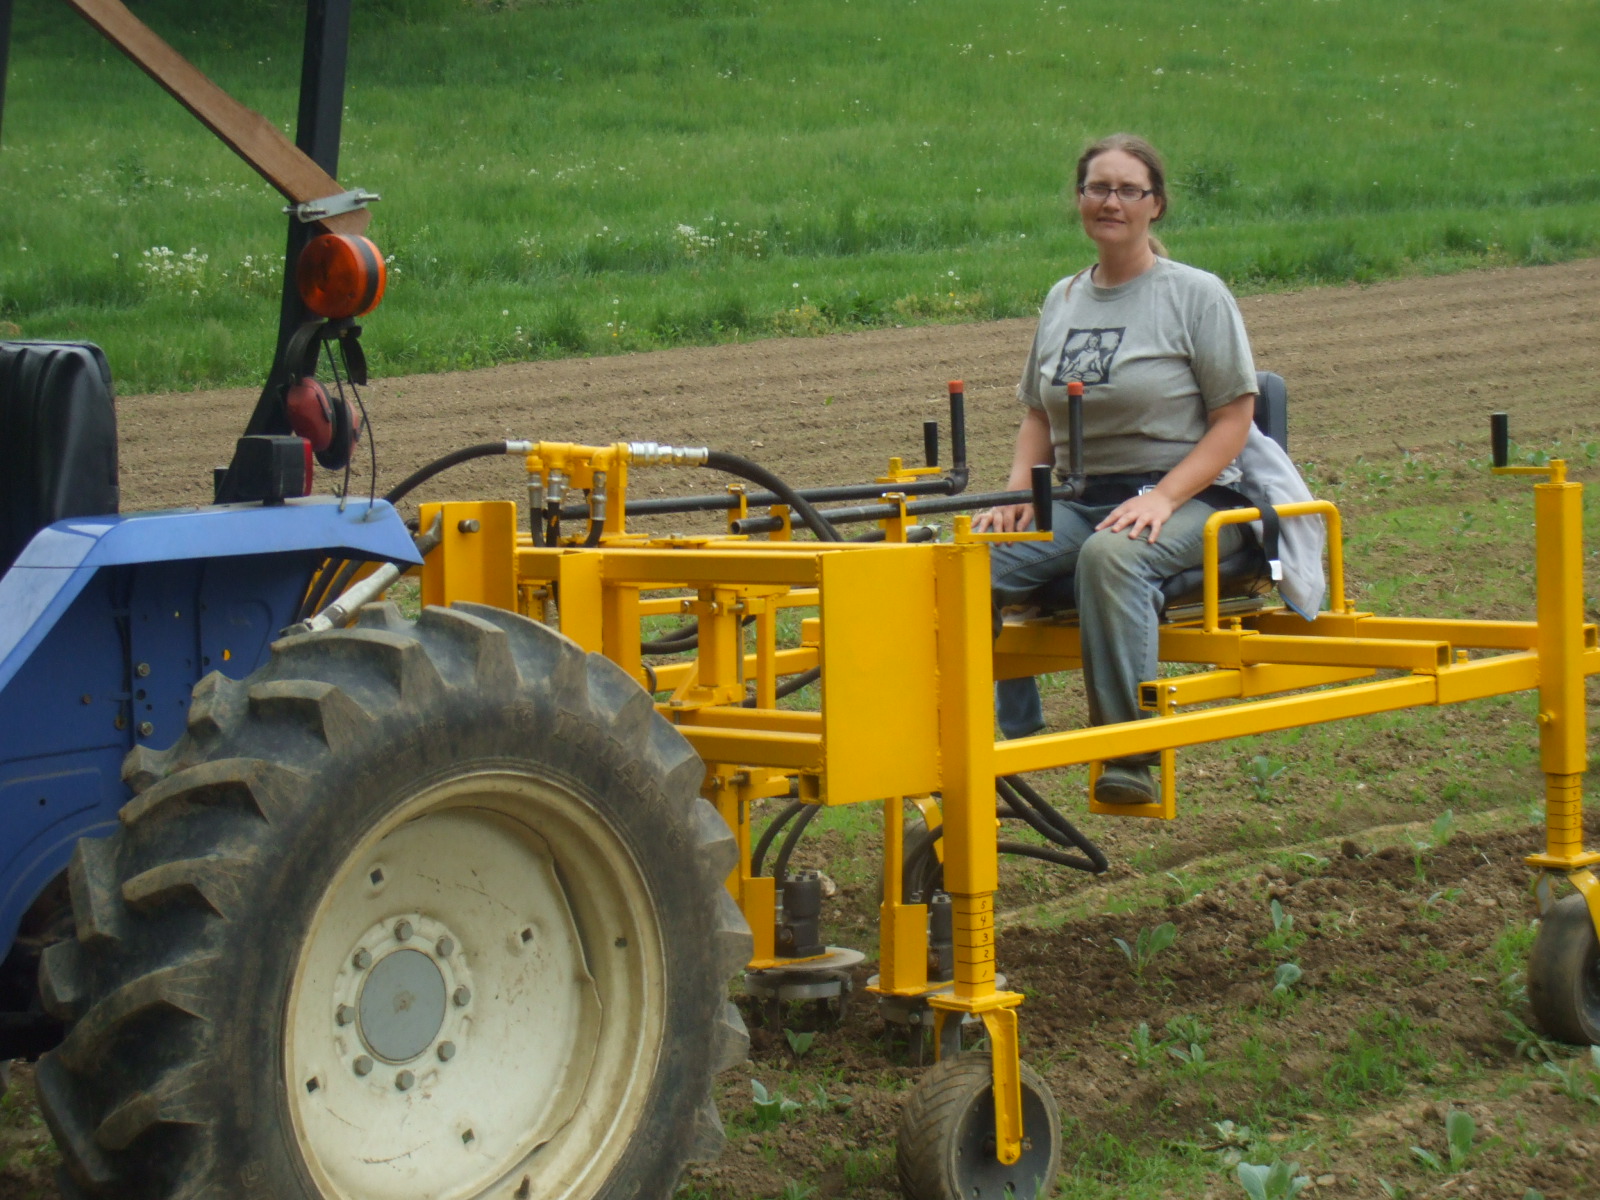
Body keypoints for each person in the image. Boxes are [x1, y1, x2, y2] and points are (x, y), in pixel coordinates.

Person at [974, 133, 1259, 805]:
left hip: (1190, 496)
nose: (1111, 202)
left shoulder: (1196, 295)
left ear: (1155, 204)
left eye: (1129, 190)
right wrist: (1018, 494)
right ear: (1079, 199)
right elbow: (1039, 415)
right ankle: (1001, 738)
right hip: (1081, 498)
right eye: (1098, 188)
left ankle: (1128, 754)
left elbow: (1234, 419)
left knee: (1112, 556)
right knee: (968, 557)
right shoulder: (1063, 298)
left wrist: (1164, 497)